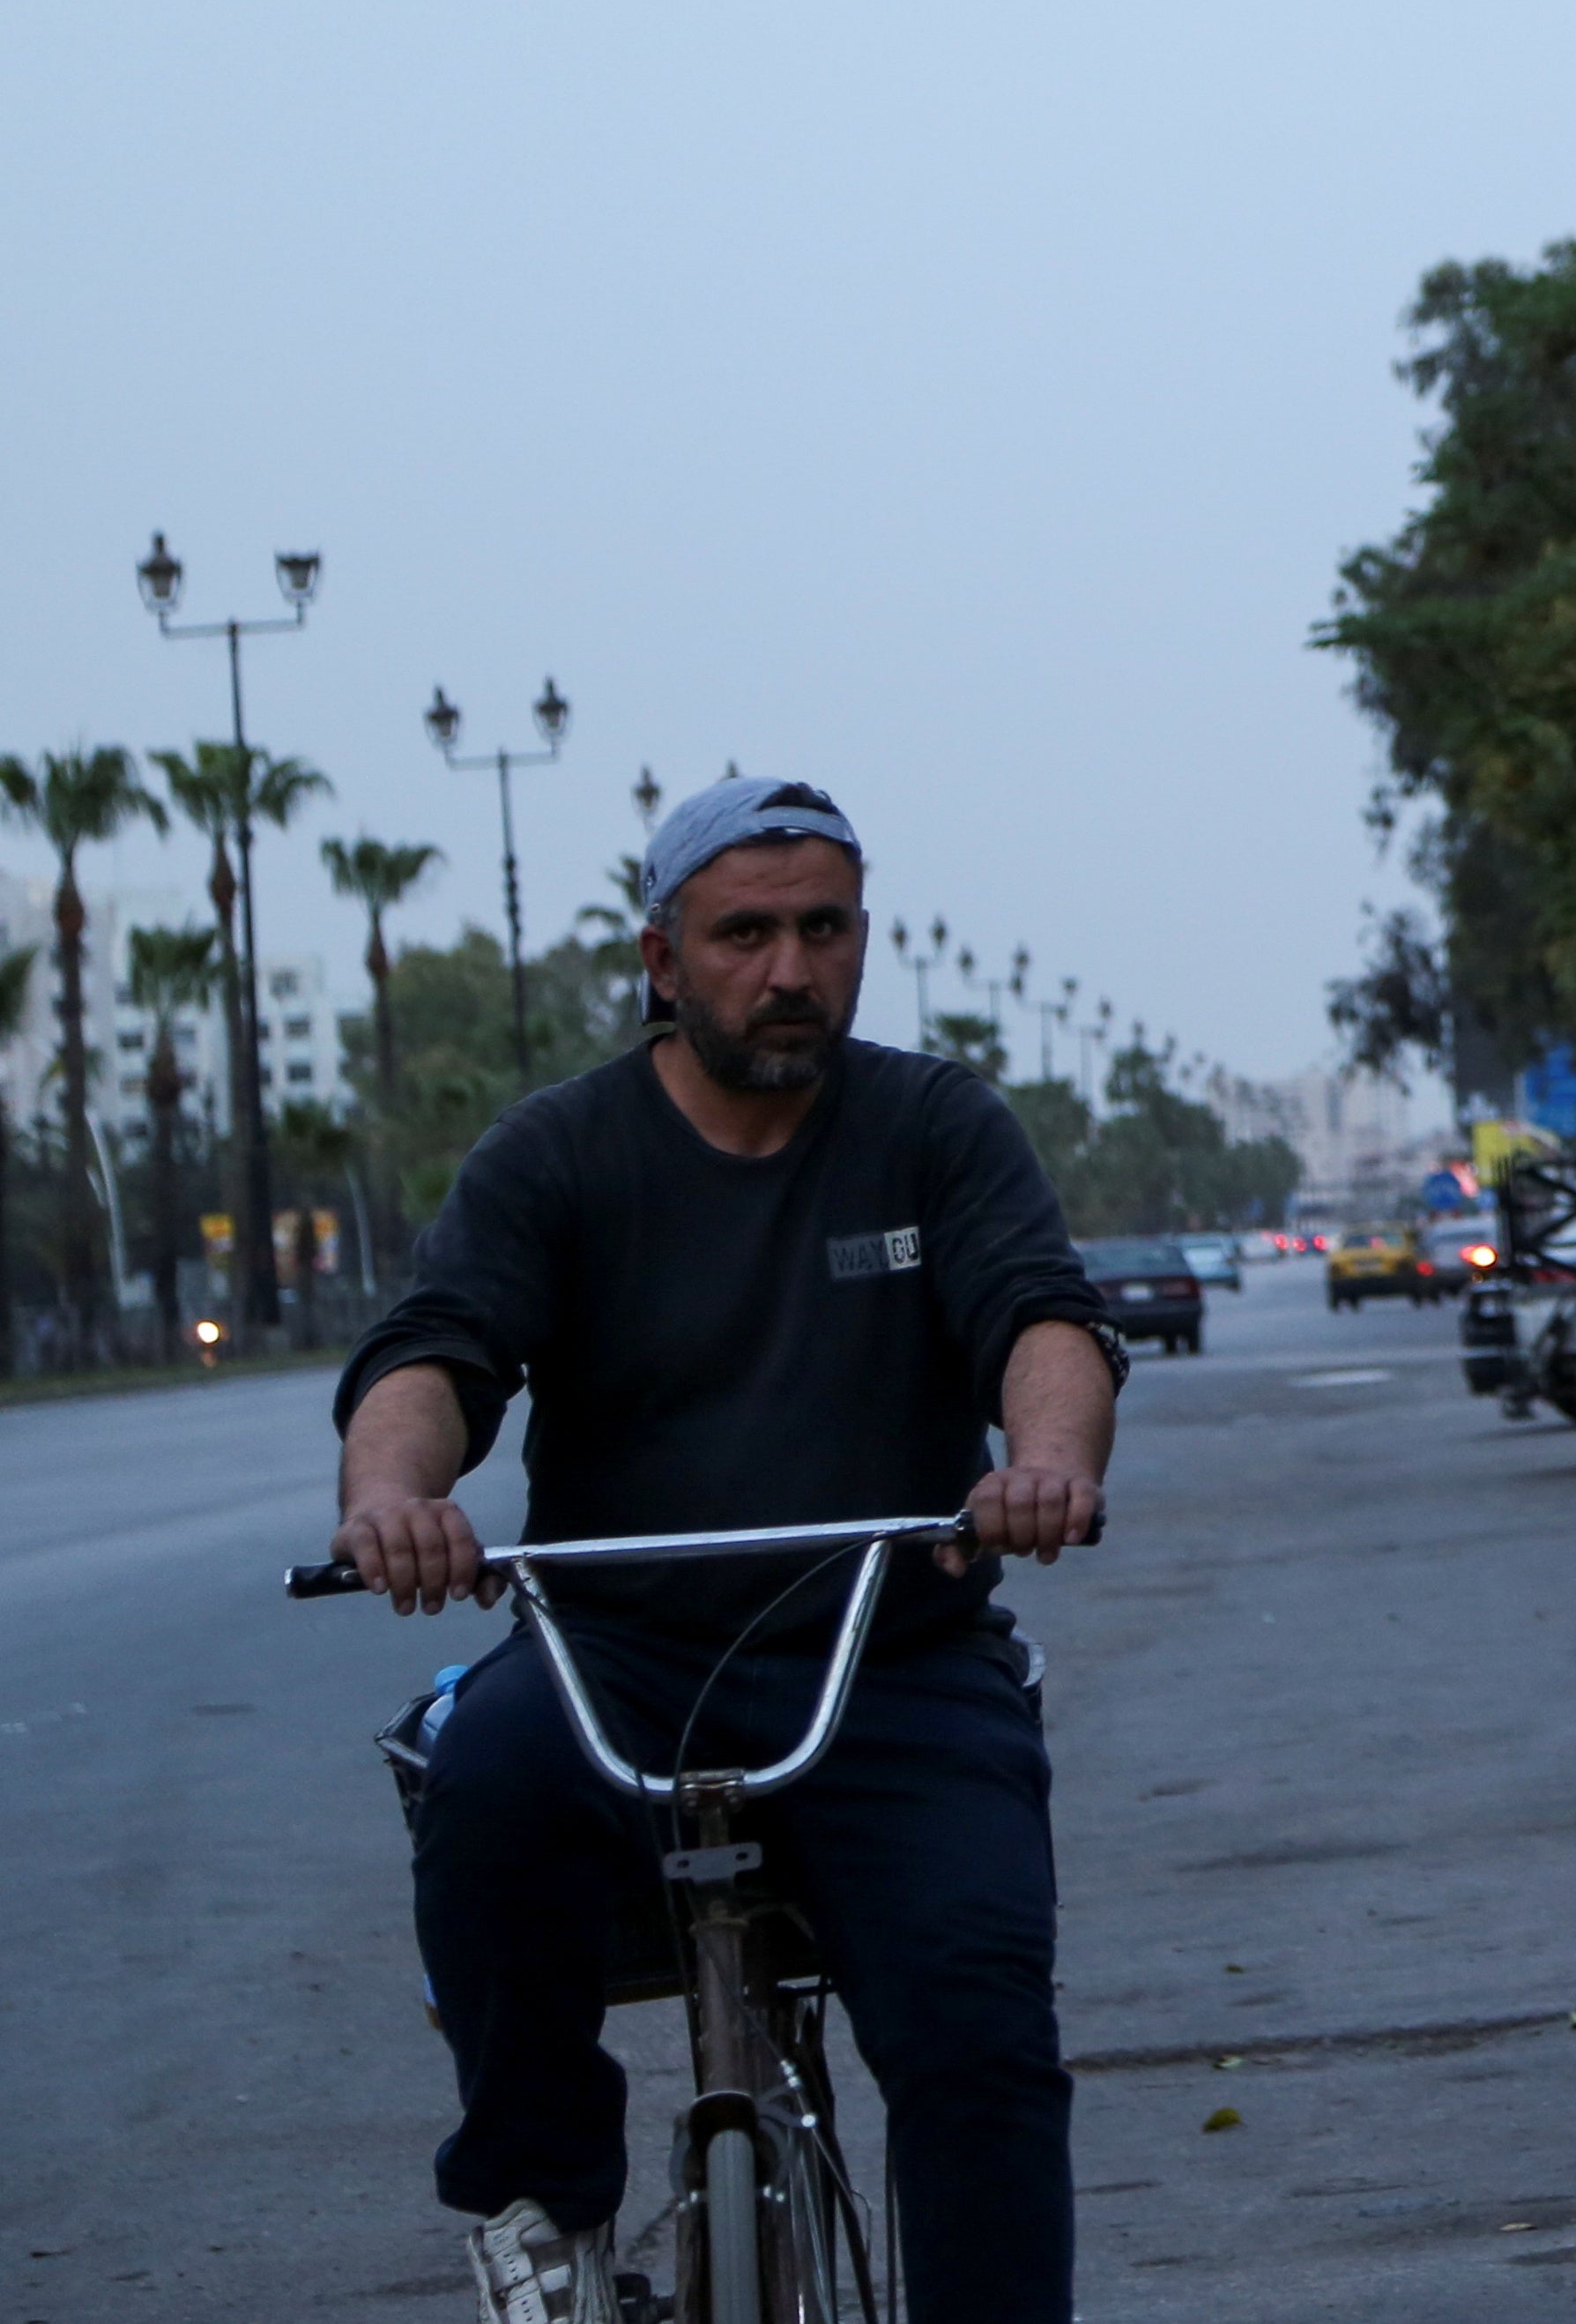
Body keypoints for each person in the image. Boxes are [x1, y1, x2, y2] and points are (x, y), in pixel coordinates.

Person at [327, 776, 1119, 2324]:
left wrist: (1044, 1465)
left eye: (822, 930)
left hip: (892, 1659)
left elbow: (1041, 1317)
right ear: (663, 959)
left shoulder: (935, 1128)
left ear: (860, 941)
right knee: (479, 1788)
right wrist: (393, 1498)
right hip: (619, 1655)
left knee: (980, 2039)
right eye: (744, 933)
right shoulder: (558, 1153)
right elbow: (436, 1355)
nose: (788, 969)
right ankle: (541, 2216)